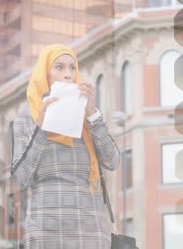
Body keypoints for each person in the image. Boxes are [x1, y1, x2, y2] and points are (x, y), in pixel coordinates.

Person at [11, 44, 120, 248]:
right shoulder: (26, 119)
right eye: (59, 67)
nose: (68, 74)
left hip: (91, 233)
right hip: (45, 235)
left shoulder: (87, 118)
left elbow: (113, 162)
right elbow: (21, 178)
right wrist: (42, 129)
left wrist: (93, 115)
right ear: (45, 73)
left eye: (72, 68)